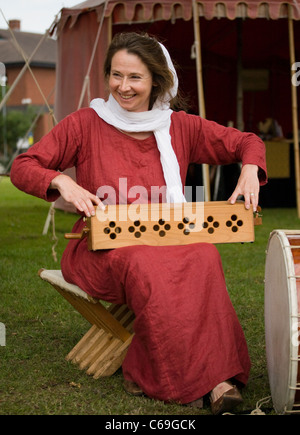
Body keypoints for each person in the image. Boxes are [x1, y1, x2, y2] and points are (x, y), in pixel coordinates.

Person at [10, 32, 267, 414]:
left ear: (156, 82)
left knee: (204, 256)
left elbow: (245, 141)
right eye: (116, 75)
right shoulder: (85, 123)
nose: (122, 87)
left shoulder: (178, 126)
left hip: (168, 239)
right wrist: (61, 179)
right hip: (101, 248)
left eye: (135, 78)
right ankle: (196, 381)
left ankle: (216, 378)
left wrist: (249, 167)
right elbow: (23, 165)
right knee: (146, 264)